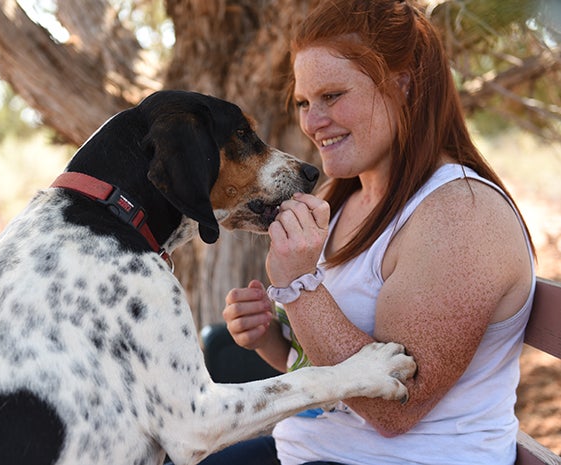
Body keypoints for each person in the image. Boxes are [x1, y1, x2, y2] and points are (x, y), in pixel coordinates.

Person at [216, 0, 537, 464]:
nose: (311, 121)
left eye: (332, 96)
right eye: (305, 102)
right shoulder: (342, 198)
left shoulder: (462, 215)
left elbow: (395, 405)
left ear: (403, 84)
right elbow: (326, 380)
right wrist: (270, 336)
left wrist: (299, 286)